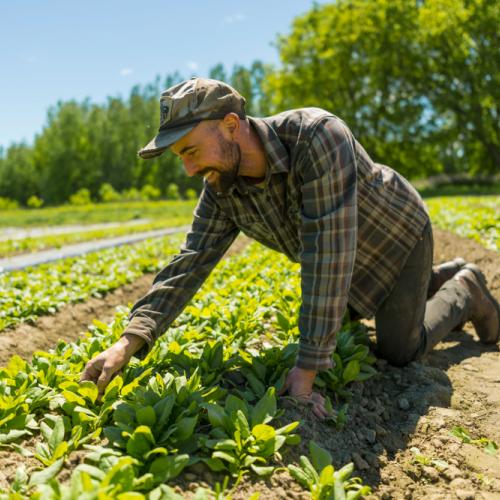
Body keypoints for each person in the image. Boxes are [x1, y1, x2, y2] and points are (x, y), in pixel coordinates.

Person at [81, 78, 500, 419]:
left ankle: (465, 288)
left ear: (231, 124)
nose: (189, 169)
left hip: (398, 238)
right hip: (351, 265)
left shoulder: (317, 137)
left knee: (399, 351)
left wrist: (307, 371)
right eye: (180, 158)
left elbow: (327, 254)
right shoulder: (222, 188)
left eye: (190, 151)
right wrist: (128, 341)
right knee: (350, 319)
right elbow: (188, 263)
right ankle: (436, 279)